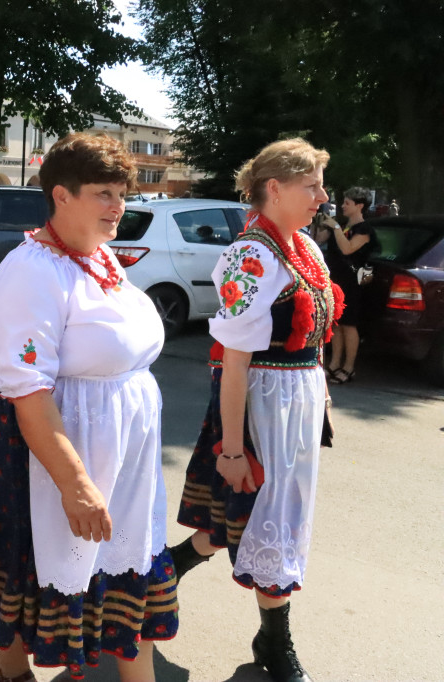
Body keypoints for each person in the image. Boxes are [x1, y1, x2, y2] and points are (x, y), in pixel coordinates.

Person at [0, 133, 176, 682]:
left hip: (122, 450)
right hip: (59, 446)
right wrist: (74, 482)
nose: (118, 207)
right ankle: (11, 670)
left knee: (121, 574)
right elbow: (28, 389)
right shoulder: (30, 269)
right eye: (103, 194)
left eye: (121, 194)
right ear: (61, 195)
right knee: (44, 570)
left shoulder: (100, 256)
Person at [171, 138, 342, 682]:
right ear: (275, 187)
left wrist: (322, 397)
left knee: (251, 520)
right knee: (269, 522)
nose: (321, 196)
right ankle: (276, 643)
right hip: (260, 406)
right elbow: (234, 363)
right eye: (311, 184)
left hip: (298, 402)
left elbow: (311, 338)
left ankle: (168, 568)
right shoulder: (251, 256)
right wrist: (232, 447)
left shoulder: (305, 248)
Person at [322, 187, 377, 384]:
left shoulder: (364, 229)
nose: (343, 206)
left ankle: (349, 367)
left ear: (359, 206)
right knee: (336, 322)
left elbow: (347, 249)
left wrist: (336, 228)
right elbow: (319, 240)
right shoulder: (343, 226)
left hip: (354, 282)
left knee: (349, 324)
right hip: (336, 280)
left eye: (347, 203)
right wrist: (321, 224)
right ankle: (335, 363)